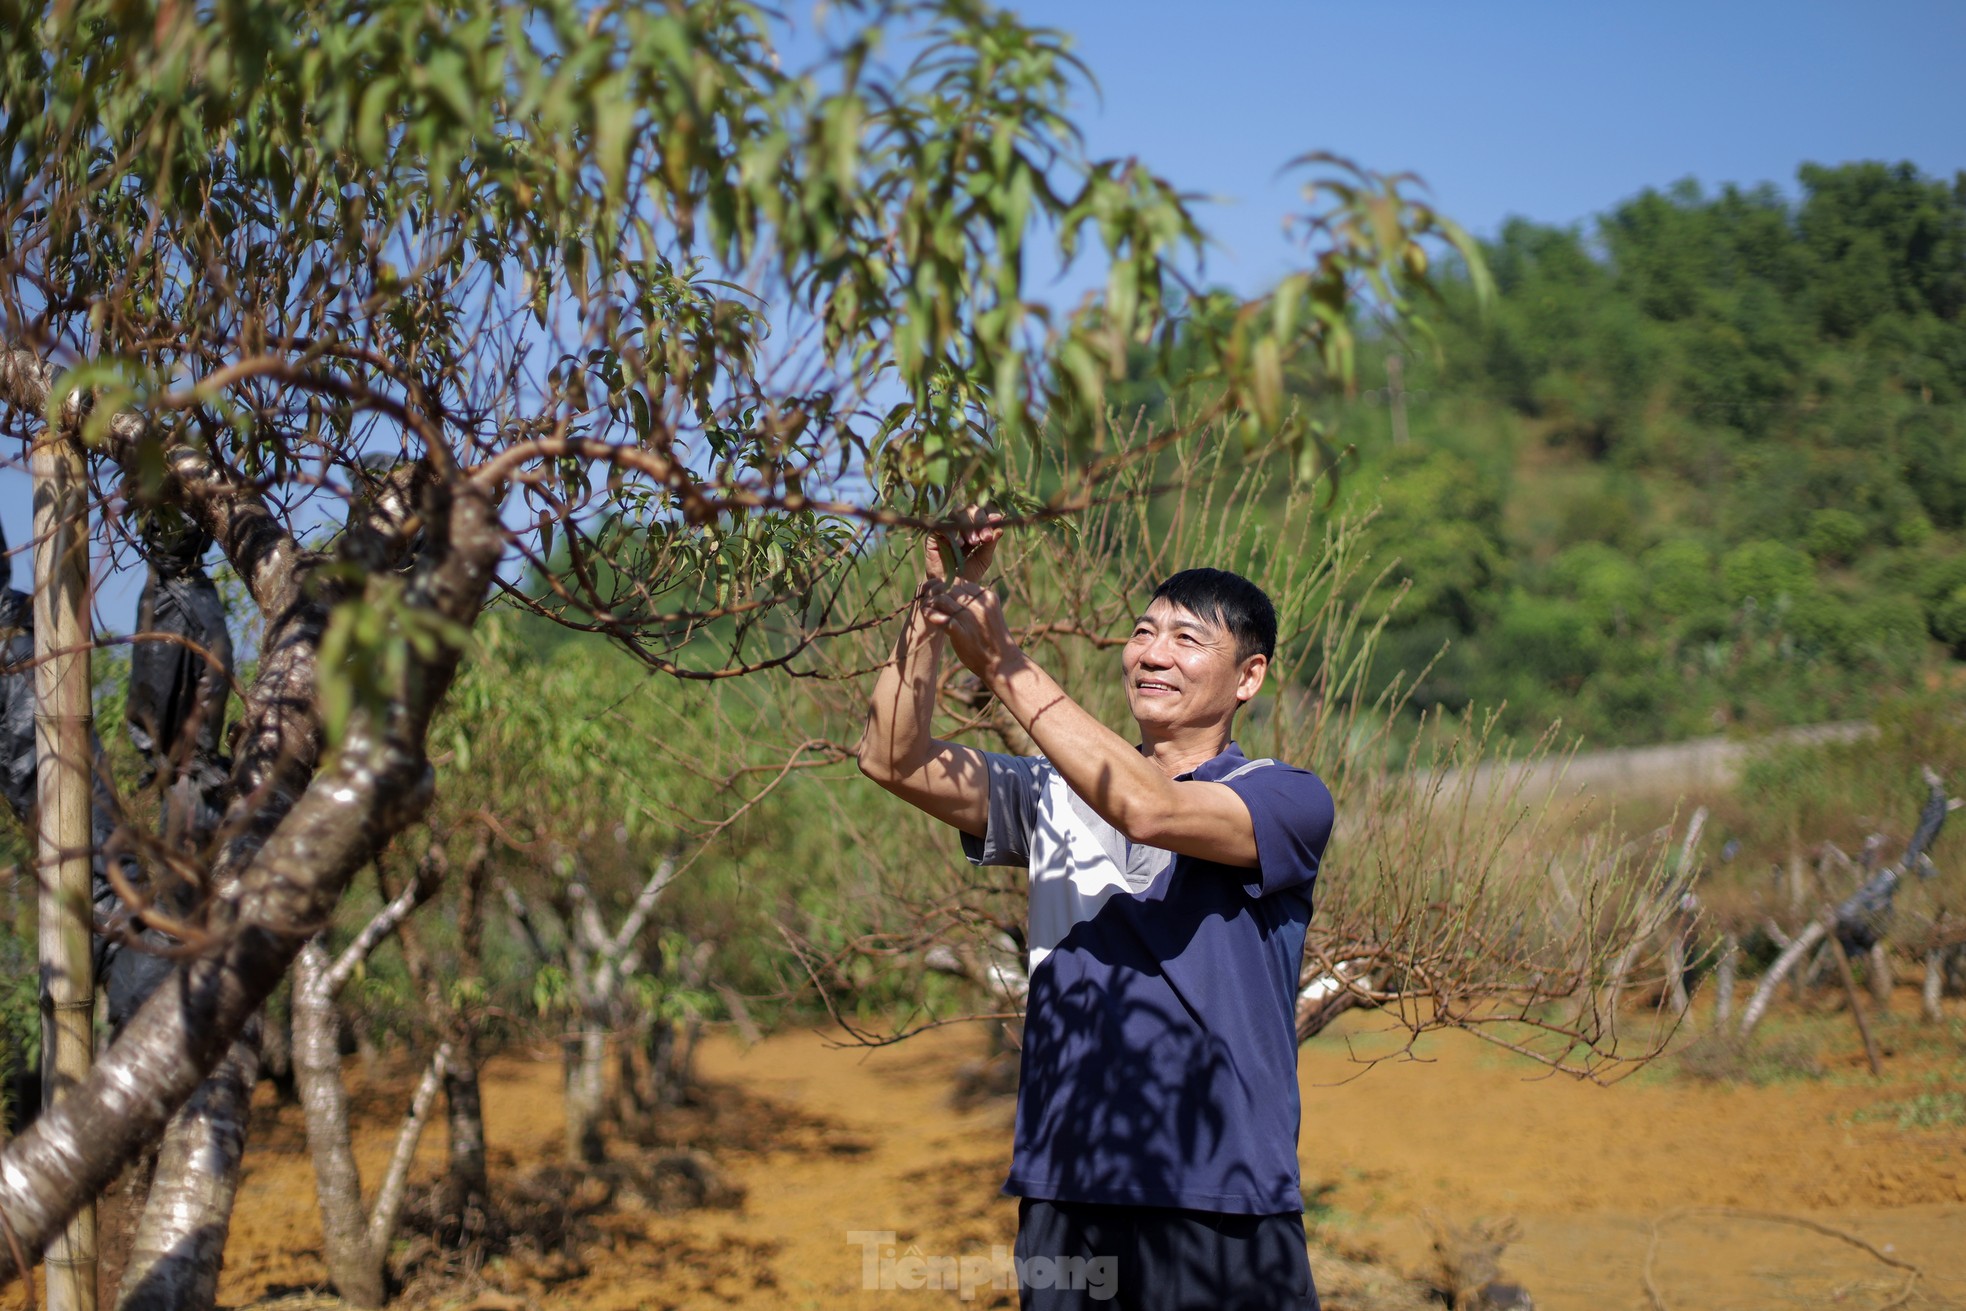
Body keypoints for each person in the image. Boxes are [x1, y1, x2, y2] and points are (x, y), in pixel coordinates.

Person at [858, 512, 1333, 1311]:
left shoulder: (1284, 797)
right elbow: (891, 755)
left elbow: (1149, 810)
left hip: (1217, 1194)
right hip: (1064, 1191)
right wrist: (934, 606)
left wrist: (1005, 660)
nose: (1151, 653)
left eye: (1187, 639)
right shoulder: (1051, 792)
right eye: (1144, 631)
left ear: (1247, 677)